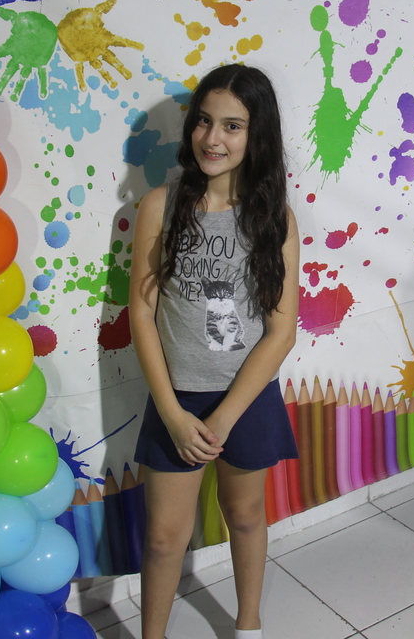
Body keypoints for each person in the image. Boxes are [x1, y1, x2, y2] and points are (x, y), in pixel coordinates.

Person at [129, 64, 300, 639]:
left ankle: (248, 626)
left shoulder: (273, 219)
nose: (212, 138)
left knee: (245, 516)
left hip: (244, 399)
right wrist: (174, 414)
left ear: (257, 135)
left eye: (232, 126)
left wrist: (225, 417)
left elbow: (280, 332)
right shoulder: (161, 206)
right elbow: (143, 315)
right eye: (204, 121)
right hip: (176, 400)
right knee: (162, 539)